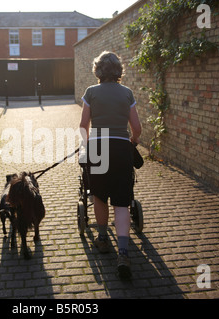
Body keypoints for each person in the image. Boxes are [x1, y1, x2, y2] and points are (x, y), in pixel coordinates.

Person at [79, 51, 142, 279]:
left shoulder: (91, 92)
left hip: (99, 148)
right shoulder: (127, 93)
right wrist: (133, 141)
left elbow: (83, 125)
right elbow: (137, 127)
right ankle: (123, 252)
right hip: (121, 148)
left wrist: (87, 146)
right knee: (122, 202)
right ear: (118, 71)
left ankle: (103, 238)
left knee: (99, 195)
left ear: (98, 70)